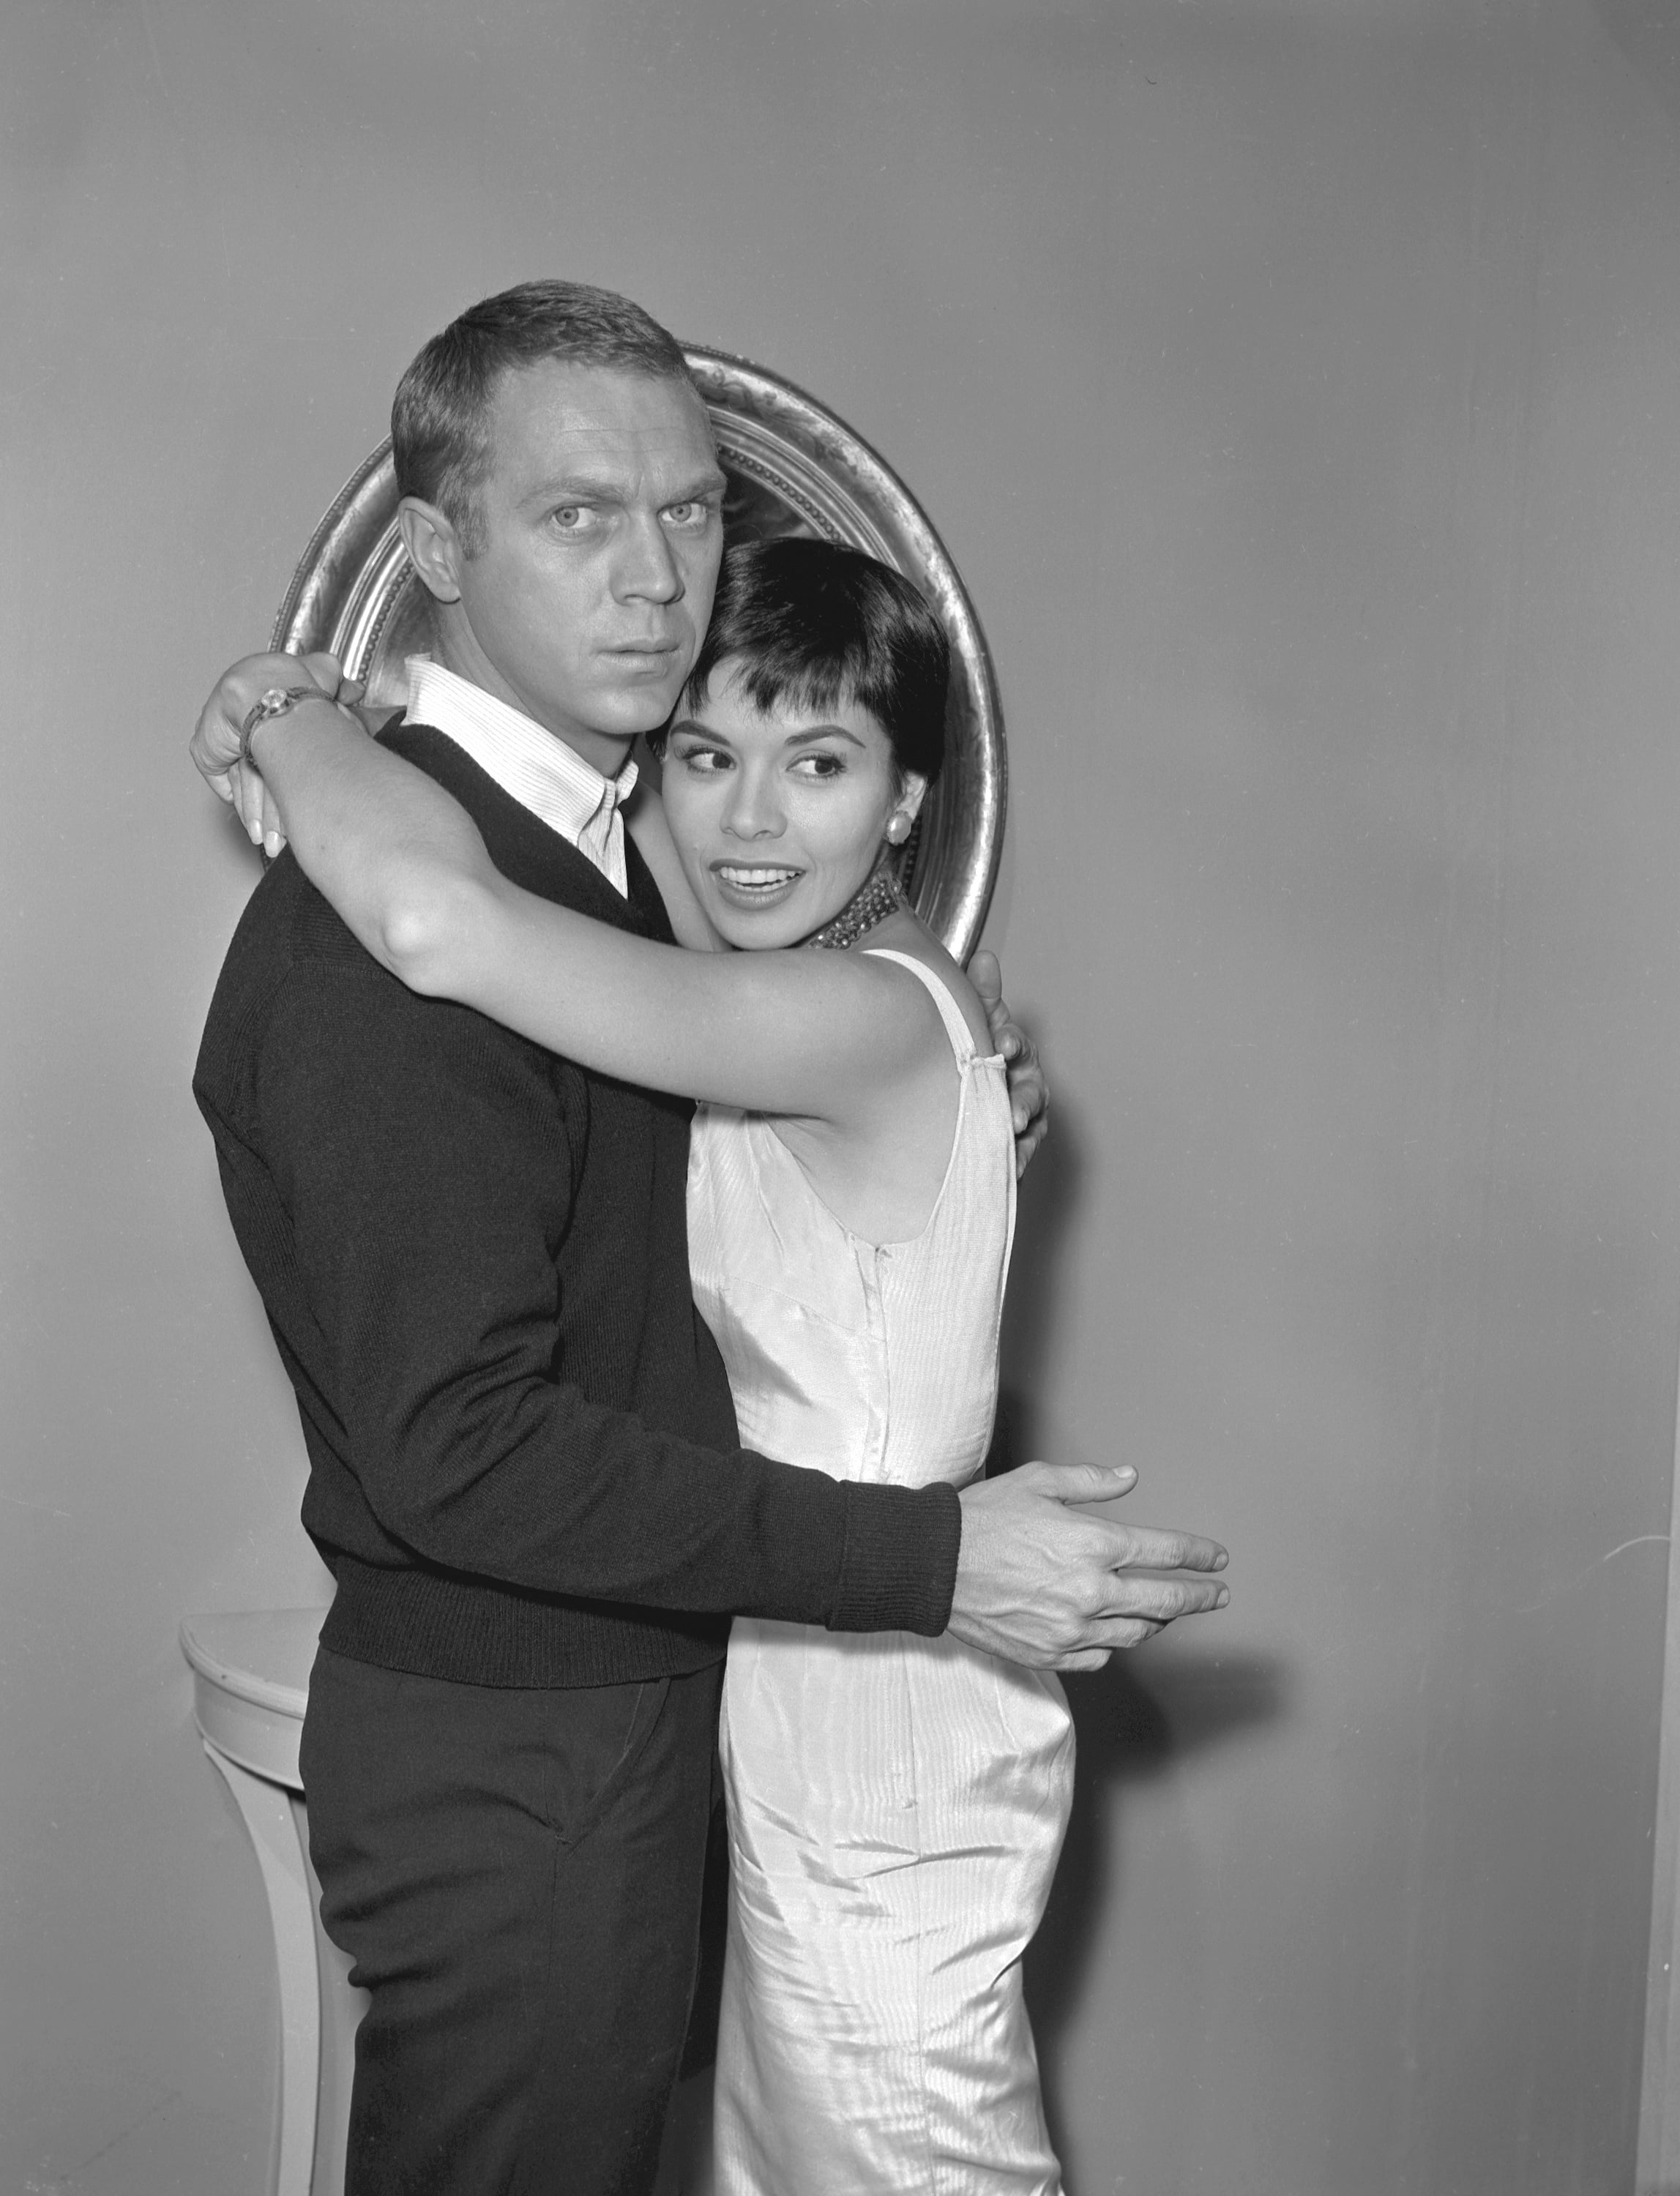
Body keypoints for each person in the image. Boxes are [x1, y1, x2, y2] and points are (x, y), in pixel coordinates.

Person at [192, 279, 1228, 2196]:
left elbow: (506, 971)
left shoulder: (651, 924)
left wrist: (281, 711)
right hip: (607, 1723)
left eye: (689, 511)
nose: (655, 575)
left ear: (906, 800)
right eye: (583, 514)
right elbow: (462, 1436)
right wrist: (290, 709)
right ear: (439, 551)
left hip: (812, 1717)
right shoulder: (490, 902)